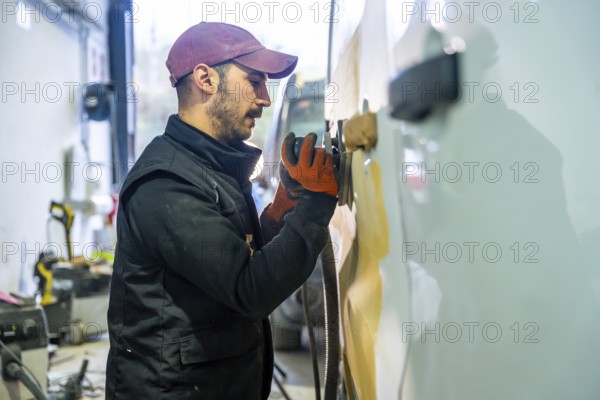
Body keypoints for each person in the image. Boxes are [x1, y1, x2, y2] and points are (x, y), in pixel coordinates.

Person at [105, 22, 339, 399]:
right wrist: (314, 205)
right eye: (254, 81)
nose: (265, 98)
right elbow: (250, 287)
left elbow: (239, 255)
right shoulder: (166, 183)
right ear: (205, 79)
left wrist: (285, 206)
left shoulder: (209, 166)